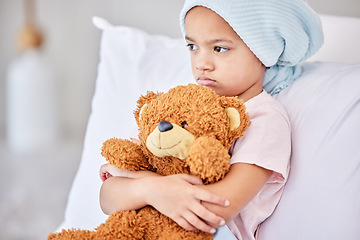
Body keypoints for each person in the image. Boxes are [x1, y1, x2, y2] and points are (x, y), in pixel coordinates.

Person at [99, 0, 324, 239]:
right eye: (192, 46)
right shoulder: (179, 106)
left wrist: (140, 184)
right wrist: (151, 188)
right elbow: (106, 197)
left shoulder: (265, 120)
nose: (200, 63)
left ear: (262, 51)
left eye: (219, 48)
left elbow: (215, 208)